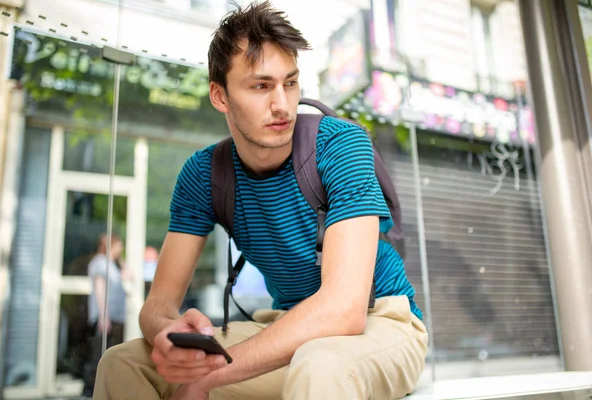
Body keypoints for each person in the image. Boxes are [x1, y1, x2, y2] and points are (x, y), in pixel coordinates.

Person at [93, 2, 428, 399]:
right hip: (287, 325)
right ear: (219, 96)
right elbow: (158, 304)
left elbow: (344, 309)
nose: (282, 105)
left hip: (379, 321)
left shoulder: (341, 144)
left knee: (320, 365)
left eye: (290, 83)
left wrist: (209, 375)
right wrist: (166, 331)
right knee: (122, 362)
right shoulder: (203, 175)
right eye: (260, 86)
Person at [83, 233, 129, 396]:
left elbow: (129, 277)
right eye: (119, 245)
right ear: (111, 246)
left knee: (109, 354)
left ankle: (104, 390)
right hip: (105, 318)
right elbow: (99, 289)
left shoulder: (112, 264)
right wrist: (104, 316)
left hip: (115, 317)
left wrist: (121, 262)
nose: (121, 248)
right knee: (98, 354)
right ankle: (90, 391)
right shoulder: (101, 263)